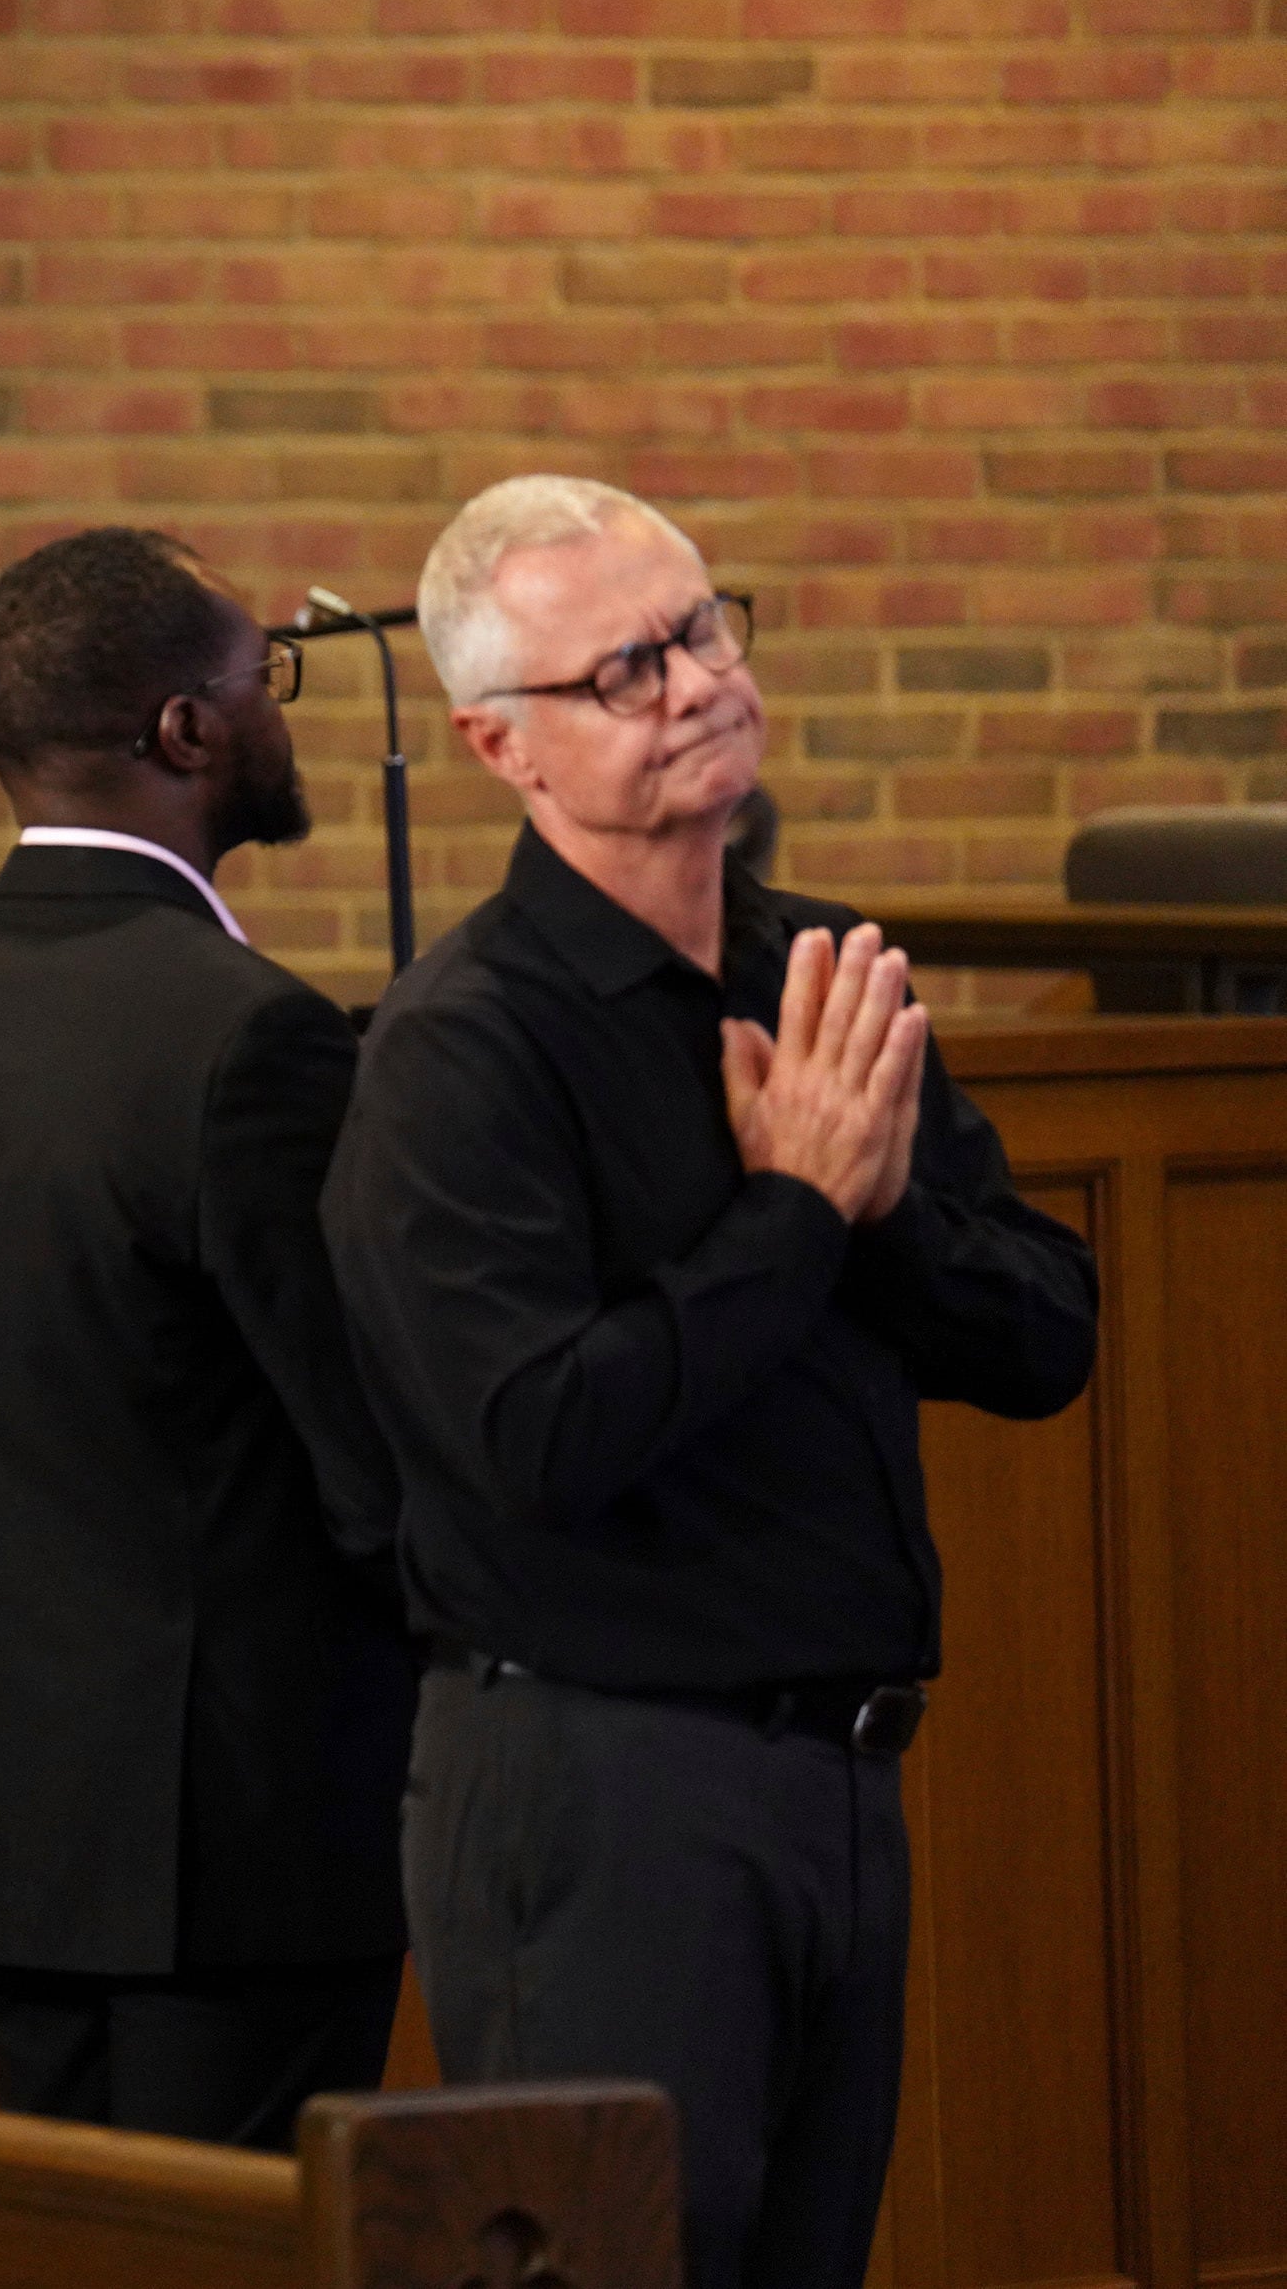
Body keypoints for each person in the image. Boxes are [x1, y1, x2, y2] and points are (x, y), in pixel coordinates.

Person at [323, 475, 1098, 2289]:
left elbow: (1047, 1338)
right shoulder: (460, 1048)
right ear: (499, 743)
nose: (692, 684)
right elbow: (536, 1437)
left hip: (838, 1773)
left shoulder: (818, 966)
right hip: (602, 1786)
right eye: (624, 670)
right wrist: (794, 1212)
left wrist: (876, 1212)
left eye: (701, 629)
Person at [0, 529, 416, 2149]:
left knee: (79, 2242)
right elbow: (368, 1447)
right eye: (264, 679)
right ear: (185, 730)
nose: (278, 710)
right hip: (237, 1828)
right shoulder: (248, 1033)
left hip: (5, 1812)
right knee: (236, 2248)